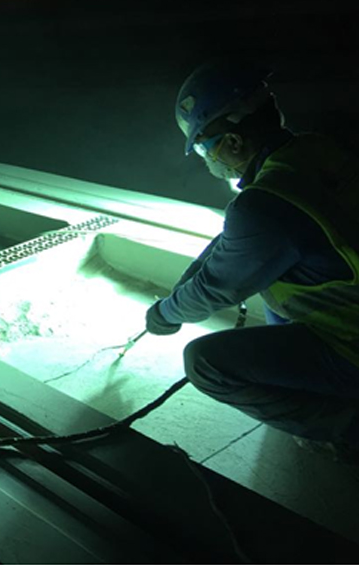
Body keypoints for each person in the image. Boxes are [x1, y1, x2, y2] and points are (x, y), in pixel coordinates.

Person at [144, 60, 359, 463]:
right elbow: (245, 240)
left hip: (352, 345)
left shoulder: (264, 208)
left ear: (232, 142)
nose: (207, 158)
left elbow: (217, 288)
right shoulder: (314, 150)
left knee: (205, 364)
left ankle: (348, 427)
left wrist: (164, 314)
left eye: (204, 147)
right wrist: (193, 273)